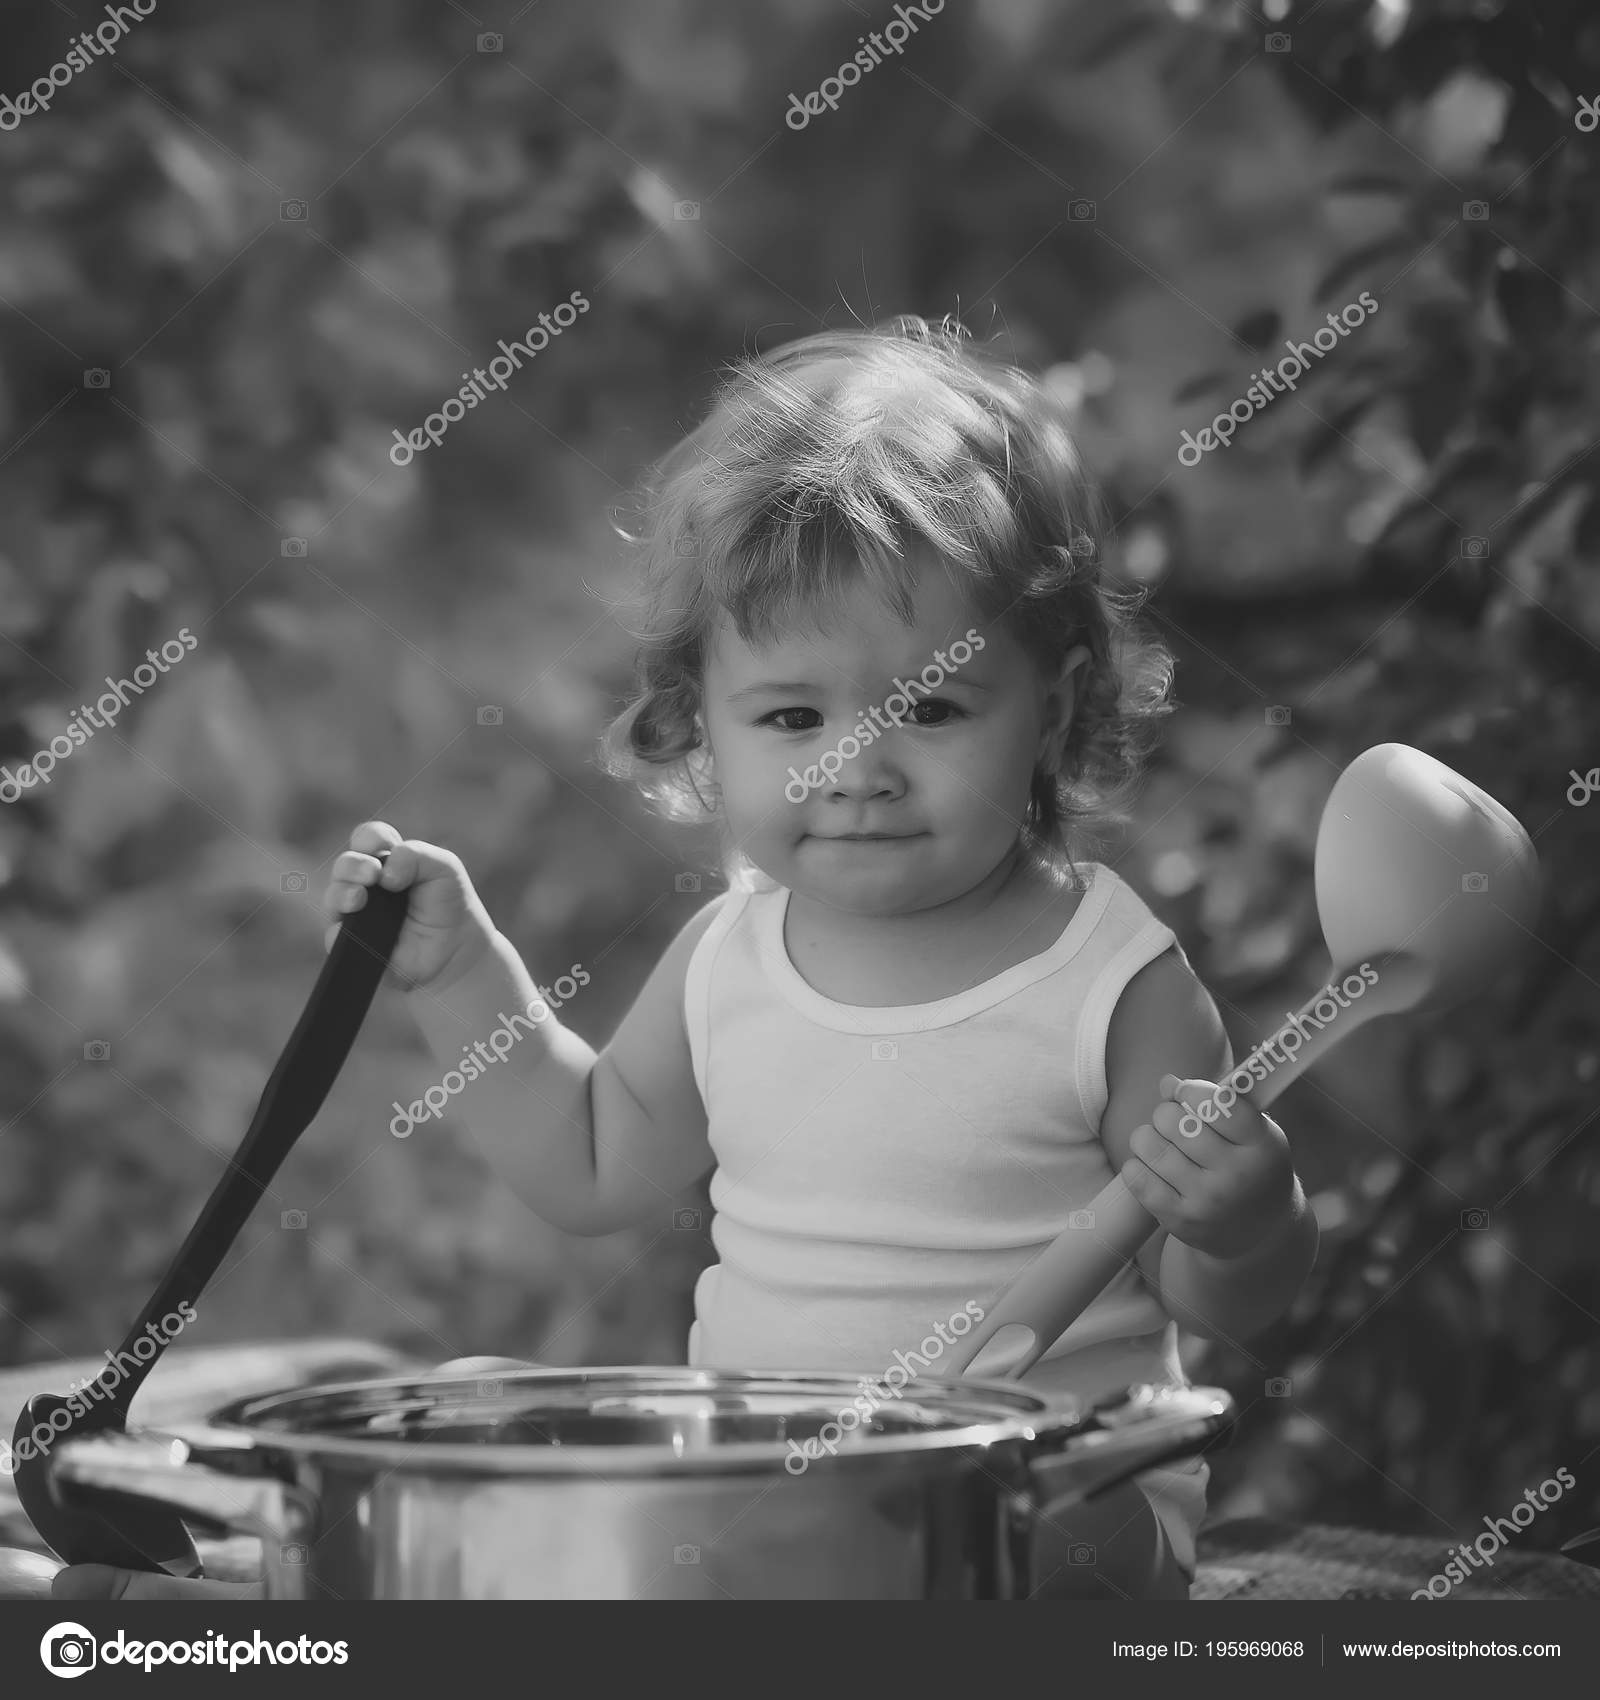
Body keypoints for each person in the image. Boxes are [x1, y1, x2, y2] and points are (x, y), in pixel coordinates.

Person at [56, 315, 1316, 1603]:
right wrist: (456, 979)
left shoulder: (1111, 983)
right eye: (791, 716)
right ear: (700, 729)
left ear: (1051, 708)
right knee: (467, 1414)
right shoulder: (735, 958)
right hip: (764, 1507)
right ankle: (235, 1604)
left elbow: (1221, 1302)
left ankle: (220, 1614)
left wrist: (1246, 1217)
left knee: (970, 1557)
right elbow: (592, 1160)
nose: (858, 766)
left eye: (931, 706)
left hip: (1037, 1513)